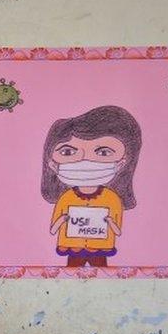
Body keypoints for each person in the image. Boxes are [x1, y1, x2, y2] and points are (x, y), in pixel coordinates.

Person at [43, 105, 142, 267]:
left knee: (102, 275)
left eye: (103, 153)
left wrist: (109, 222)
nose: (84, 160)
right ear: (52, 163)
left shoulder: (112, 199)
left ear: (122, 163)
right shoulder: (66, 198)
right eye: (68, 152)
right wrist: (61, 220)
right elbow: (53, 229)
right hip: (72, 247)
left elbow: (117, 231)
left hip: (101, 248)